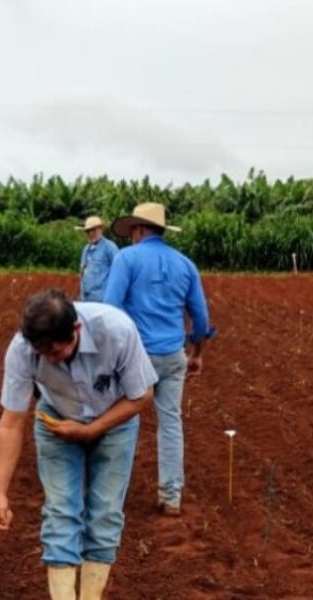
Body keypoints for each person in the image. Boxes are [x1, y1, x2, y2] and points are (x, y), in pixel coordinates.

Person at [0, 290, 157, 600]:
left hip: (115, 417)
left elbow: (141, 395)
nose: (50, 359)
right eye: (43, 354)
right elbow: (11, 422)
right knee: (61, 510)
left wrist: (92, 429)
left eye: (57, 351)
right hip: (55, 418)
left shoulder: (116, 330)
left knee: (105, 512)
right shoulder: (22, 350)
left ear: (76, 330)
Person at [103, 201, 214, 516]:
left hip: (136, 356)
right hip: (173, 354)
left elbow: (111, 309)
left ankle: (112, 496)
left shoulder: (126, 259)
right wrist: (197, 354)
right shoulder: (185, 264)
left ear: (138, 229)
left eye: (131, 232)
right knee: (170, 423)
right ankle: (171, 497)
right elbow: (201, 319)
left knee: (123, 422)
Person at [75, 216, 118, 302]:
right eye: (88, 231)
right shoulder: (86, 249)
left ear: (101, 229)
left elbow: (119, 272)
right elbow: (82, 274)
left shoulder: (110, 247)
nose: (90, 233)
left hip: (102, 301)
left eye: (93, 230)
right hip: (85, 300)